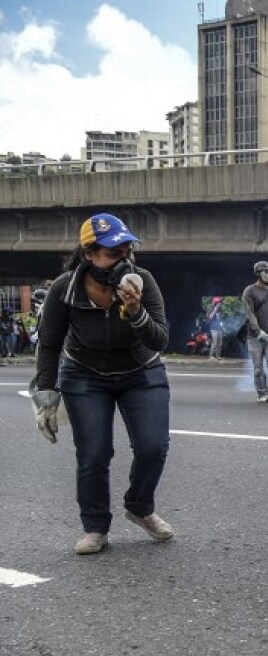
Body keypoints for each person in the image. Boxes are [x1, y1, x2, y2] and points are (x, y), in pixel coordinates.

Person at [30, 213, 174, 555]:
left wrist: (135, 310)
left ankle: (139, 507)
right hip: (85, 374)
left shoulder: (144, 280)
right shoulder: (65, 288)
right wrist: (46, 395)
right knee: (94, 453)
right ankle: (95, 527)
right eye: (113, 253)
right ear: (88, 254)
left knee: (153, 447)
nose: (123, 259)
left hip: (142, 371)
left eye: (127, 251)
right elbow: (50, 343)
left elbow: (160, 339)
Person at [241, 261, 268, 403]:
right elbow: (249, 313)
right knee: (258, 367)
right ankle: (261, 392)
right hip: (255, 336)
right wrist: (258, 331)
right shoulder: (250, 291)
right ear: (258, 274)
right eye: (265, 271)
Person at [206, 296, 225, 361]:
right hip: (213, 329)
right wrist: (215, 310)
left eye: (220, 302)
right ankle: (211, 356)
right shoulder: (210, 309)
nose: (220, 304)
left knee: (220, 343)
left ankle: (218, 356)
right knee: (215, 342)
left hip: (219, 328)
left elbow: (221, 321)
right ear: (215, 303)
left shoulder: (220, 310)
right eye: (218, 302)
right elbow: (210, 318)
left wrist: (223, 328)